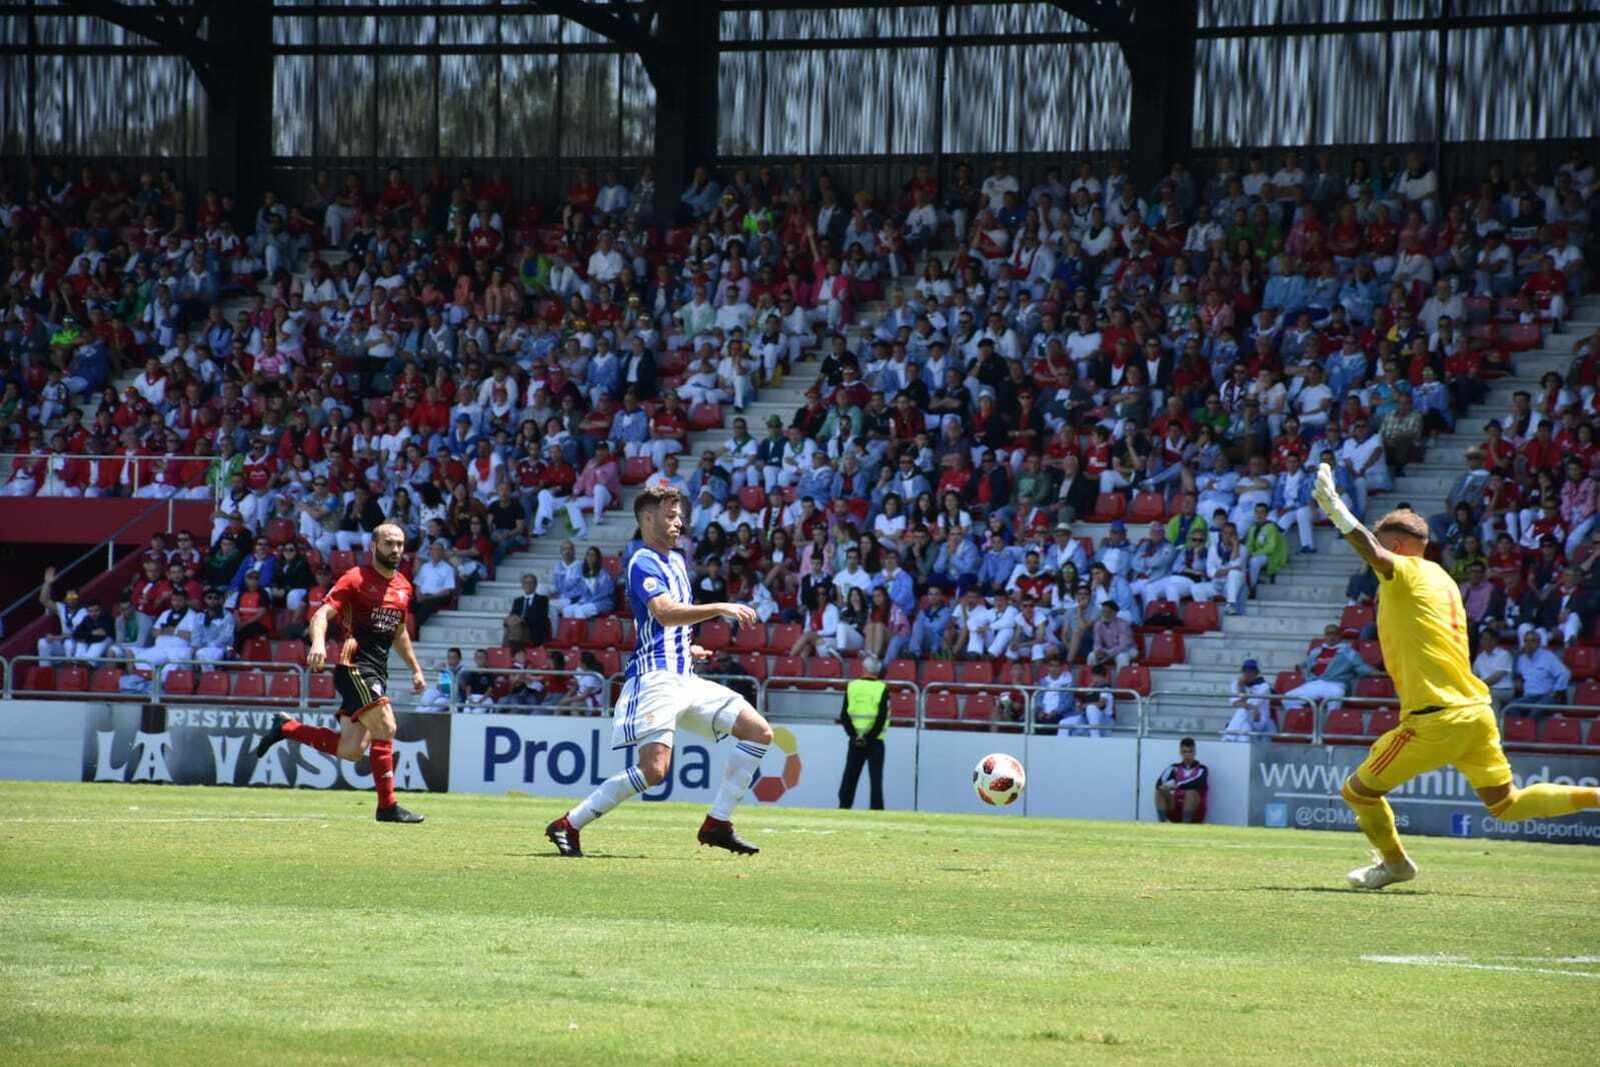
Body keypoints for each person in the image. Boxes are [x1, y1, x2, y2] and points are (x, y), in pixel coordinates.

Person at [1312, 469, 1600, 889]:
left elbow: (1373, 553)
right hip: (1476, 713)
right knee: (1507, 803)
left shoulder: (1405, 570)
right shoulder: (1442, 577)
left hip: (1435, 719)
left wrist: (1338, 512)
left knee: (1357, 793)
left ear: (1396, 546)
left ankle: (1395, 864)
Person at [545, 485, 775, 857]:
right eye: (670, 516)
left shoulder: (678, 561)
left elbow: (665, 625)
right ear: (647, 518)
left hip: (685, 675)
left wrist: (688, 646)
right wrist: (722, 606)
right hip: (655, 679)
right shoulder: (642, 561)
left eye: (680, 515)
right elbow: (664, 612)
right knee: (653, 771)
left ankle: (718, 823)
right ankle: (568, 824)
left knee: (759, 731)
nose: (679, 522)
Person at [254, 523, 429, 824]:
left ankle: (286, 728)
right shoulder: (356, 578)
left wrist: (415, 669)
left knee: (350, 750)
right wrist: (319, 643)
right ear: (374, 546)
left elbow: (399, 632)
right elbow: (321, 614)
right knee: (386, 727)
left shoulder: (403, 586)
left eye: (400, 544)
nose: (396, 549)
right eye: (389, 543)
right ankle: (387, 806)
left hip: (377, 670)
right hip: (354, 666)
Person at [837, 654, 889, 810]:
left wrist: (855, 736)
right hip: (875, 741)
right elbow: (881, 717)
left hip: (855, 740)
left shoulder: (852, 686)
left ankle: (844, 807)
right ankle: (877, 809)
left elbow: (844, 715)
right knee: (875, 779)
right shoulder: (881, 688)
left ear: (864, 668)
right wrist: (868, 736)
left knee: (850, 777)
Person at [1154, 737, 1208, 823]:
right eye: (1184, 752)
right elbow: (1159, 782)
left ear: (1195, 752)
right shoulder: (1174, 767)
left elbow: (1196, 782)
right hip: (1176, 806)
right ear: (1180, 753)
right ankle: (1162, 823)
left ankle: (1186, 824)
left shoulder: (1202, 769)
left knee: (1190, 792)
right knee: (1159, 790)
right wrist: (1164, 787)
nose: (1187, 755)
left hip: (1195, 811)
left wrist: (1176, 786)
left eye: (1190, 751)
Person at [1222, 659, 1275, 740]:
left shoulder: (1264, 687)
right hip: (1244, 720)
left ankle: (1228, 738)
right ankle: (1235, 744)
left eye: (1250, 671)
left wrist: (1242, 689)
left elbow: (1248, 705)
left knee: (1243, 710)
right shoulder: (1236, 684)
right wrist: (1241, 687)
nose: (1247, 674)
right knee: (1244, 728)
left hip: (1258, 720)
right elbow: (1235, 703)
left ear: (1256, 673)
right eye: (1245, 671)